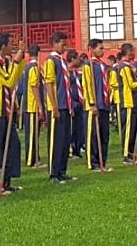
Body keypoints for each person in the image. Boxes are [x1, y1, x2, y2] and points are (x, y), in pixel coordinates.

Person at [0, 32, 26, 193]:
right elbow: (8, 81)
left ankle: (7, 180)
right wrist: (16, 61)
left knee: (12, 145)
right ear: (3, 46)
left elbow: (16, 77)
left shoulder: (6, 62)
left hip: (7, 110)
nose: (12, 46)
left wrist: (20, 59)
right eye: (10, 44)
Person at [44, 32, 75, 183]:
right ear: (55, 43)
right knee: (55, 141)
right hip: (56, 106)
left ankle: (62, 171)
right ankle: (53, 173)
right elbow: (49, 84)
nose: (65, 47)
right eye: (63, 44)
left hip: (66, 106)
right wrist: (54, 107)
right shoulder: (50, 60)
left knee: (64, 141)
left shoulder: (62, 61)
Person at [82, 38, 112, 171]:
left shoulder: (103, 65)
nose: (102, 51)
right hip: (95, 104)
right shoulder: (89, 65)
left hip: (104, 104)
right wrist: (92, 103)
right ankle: (93, 162)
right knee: (94, 135)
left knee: (104, 134)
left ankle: (102, 161)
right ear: (92, 49)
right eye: (100, 48)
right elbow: (87, 86)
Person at [117, 43, 137, 164]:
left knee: (133, 129)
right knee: (128, 129)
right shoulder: (123, 67)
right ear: (128, 52)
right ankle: (126, 154)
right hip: (127, 101)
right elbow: (131, 85)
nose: (134, 54)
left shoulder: (130, 66)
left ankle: (132, 153)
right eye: (132, 52)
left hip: (133, 101)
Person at [21, 44, 46, 168]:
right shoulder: (33, 68)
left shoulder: (28, 67)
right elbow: (34, 86)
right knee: (31, 134)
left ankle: (35, 157)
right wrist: (40, 106)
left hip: (30, 104)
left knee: (34, 133)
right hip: (31, 105)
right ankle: (31, 159)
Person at [67, 50, 87, 159]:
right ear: (72, 59)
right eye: (77, 58)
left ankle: (77, 149)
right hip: (72, 102)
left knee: (79, 127)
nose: (79, 60)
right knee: (72, 128)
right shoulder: (66, 72)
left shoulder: (75, 72)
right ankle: (71, 148)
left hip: (79, 102)